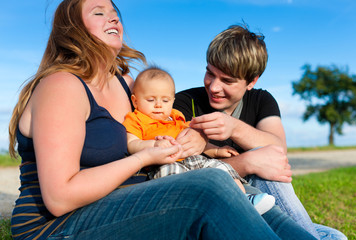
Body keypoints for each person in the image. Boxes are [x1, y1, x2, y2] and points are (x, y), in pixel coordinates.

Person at [7, 0, 317, 239]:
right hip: (55, 226)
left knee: (245, 196)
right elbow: (60, 197)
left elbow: (164, 127)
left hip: (120, 203)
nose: (113, 15)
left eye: (114, 10)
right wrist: (143, 156)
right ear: (71, 27)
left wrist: (197, 142)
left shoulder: (126, 84)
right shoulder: (61, 85)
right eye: (98, 12)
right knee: (206, 188)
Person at [173, 24, 347, 240]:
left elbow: (278, 151)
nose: (214, 87)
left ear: (252, 81)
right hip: (216, 207)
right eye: (210, 73)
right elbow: (178, 176)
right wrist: (246, 163)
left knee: (335, 236)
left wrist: (234, 127)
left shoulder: (261, 100)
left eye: (227, 80)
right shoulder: (183, 102)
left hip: (257, 201)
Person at [123, 66, 275, 215]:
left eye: (165, 100)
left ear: (172, 101)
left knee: (220, 169)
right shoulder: (136, 119)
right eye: (150, 100)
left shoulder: (176, 117)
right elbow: (131, 144)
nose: (158, 105)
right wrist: (153, 145)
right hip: (163, 163)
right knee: (174, 178)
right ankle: (190, 210)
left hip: (192, 158)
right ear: (135, 101)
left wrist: (215, 150)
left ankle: (244, 199)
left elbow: (196, 143)